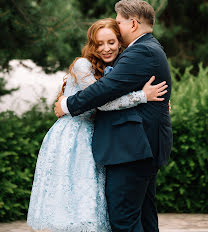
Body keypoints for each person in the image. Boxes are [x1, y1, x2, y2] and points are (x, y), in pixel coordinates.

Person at [27, 18, 167, 232]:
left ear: (119, 42)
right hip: (74, 136)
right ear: (92, 45)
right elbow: (101, 101)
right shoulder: (83, 65)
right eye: (99, 44)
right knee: (75, 207)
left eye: (111, 42)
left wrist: (158, 103)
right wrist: (142, 96)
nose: (105, 48)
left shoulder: (120, 66)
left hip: (98, 138)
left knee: (95, 206)